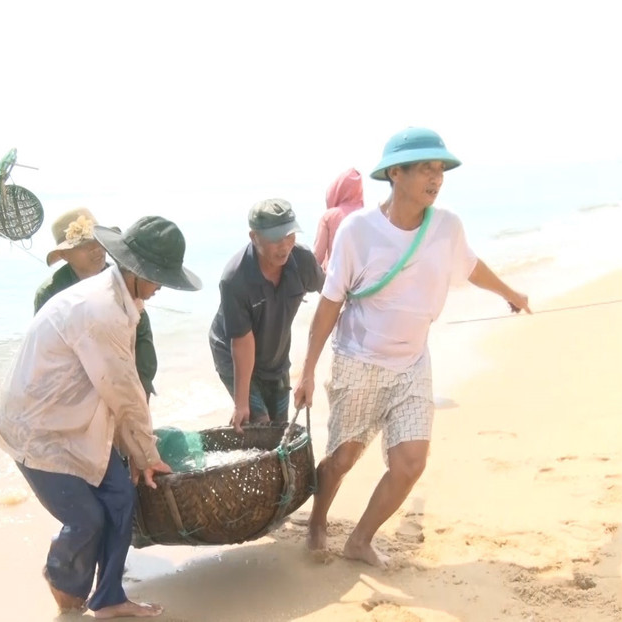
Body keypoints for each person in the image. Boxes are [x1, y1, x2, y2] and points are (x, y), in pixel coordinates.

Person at [294, 127, 531, 568]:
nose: (436, 178)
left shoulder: (446, 226)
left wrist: (510, 293)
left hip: (412, 364)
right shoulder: (357, 231)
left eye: (440, 169)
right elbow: (328, 306)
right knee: (342, 459)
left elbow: (471, 266)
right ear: (395, 174)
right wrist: (307, 371)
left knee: (410, 464)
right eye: (425, 168)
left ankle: (359, 540)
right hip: (359, 361)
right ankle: (317, 520)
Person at [0, 215, 201, 618]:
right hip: (36, 428)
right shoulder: (101, 309)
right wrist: (147, 454)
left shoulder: (123, 298)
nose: (160, 287)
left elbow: (121, 387)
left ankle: (108, 598)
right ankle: (61, 580)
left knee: (122, 496)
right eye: (159, 278)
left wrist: (139, 452)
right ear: (136, 271)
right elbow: (125, 393)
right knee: (87, 518)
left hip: (79, 417)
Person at [209, 199, 325, 433]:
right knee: (260, 425)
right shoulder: (234, 279)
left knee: (280, 429)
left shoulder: (302, 261)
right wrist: (241, 403)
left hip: (275, 358)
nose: (284, 246)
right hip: (233, 354)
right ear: (254, 237)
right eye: (275, 239)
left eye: (289, 236)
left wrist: (308, 372)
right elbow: (242, 342)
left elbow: (332, 296)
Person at [34, 208, 158, 399]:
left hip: (124, 375)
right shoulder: (51, 293)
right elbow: (46, 353)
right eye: (84, 245)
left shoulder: (123, 280)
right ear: (65, 255)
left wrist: (143, 385)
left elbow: (142, 336)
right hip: (73, 386)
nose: (96, 249)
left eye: (97, 241)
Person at [312, 168, 364, 270]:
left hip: (336, 277)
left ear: (336, 190)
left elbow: (317, 258)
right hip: (366, 278)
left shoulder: (329, 216)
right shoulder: (369, 216)